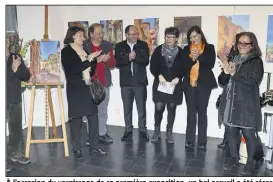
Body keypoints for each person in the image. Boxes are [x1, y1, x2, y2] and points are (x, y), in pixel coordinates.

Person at [218, 32, 264, 175]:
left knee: (249, 134)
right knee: (231, 132)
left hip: (247, 104)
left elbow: (253, 83)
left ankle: (249, 162)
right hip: (231, 102)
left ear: (252, 46)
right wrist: (226, 73)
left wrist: (234, 74)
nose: (242, 46)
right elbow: (222, 82)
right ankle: (233, 157)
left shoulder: (256, 62)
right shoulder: (233, 59)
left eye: (246, 43)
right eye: (240, 43)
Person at [61, 26, 106, 158]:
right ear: (73, 36)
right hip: (75, 89)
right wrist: (89, 59)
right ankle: (77, 148)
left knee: (93, 117)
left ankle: (95, 147)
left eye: (83, 35)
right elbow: (72, 70)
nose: (83, 38)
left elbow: (90, 71)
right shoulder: (66, 51)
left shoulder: (84, 49)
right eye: (80, 35)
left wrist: (93, 61)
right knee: (76, 120)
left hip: (87, 86)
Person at [150, 27, 194, 143]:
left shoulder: (181, 52)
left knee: (172, 108)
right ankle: (157, 130)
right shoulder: (158, 50)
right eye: (167, 36)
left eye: (172, 37)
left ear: (176, 39)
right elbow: (152, 66)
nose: (169, 39)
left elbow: (185, 68)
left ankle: (169, 132)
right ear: (164, 37)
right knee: (159, 108)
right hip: (161, 83)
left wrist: (178, 78)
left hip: (175, 85)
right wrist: (158, 75)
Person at [181, 25, 217, 149]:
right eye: (191, 37)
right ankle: (189, 140)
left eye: (195, 36)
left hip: (204, 84)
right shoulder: (186, 49)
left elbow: (210, 63)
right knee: (191, 113)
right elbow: (184, 66)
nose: (193, 39)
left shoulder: (209, 47)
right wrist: (192, 58)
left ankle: (202, 142)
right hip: (189, 84)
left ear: (200, 35)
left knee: (202, 112)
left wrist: (198, 56)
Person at [114, 25, 150, 141]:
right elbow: (117, 63)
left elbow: (145, 61)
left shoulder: (143, 45)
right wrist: (128, 58)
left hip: (140, 83)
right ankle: (128, 129)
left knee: (141, 109)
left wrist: (134, 58)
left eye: (136, 34)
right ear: (126, 35)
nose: (134, 36)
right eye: (132, 34)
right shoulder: (120, 46)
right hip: (126, 83)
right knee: (127, 109)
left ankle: (143, 130)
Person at [83, 23, 116, 144]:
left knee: (103, 110)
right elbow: (83, 63)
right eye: (98, 33)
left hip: (104, 83)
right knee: (90, 111)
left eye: (102, 32)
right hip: (89, 83)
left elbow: (113, 65)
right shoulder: (84, 45)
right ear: (91, 34)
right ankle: (91, 135)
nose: (101, 35)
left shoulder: (107, 45)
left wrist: (107, 60)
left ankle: (102, 133)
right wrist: (97, 60)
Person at [6, 35, 31, 172]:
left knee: (16, 130)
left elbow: (26, 76)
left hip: (15, 99)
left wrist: (19, 68)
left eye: (5, 41)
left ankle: (15, 153)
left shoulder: (15, 57)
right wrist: (13, 71)